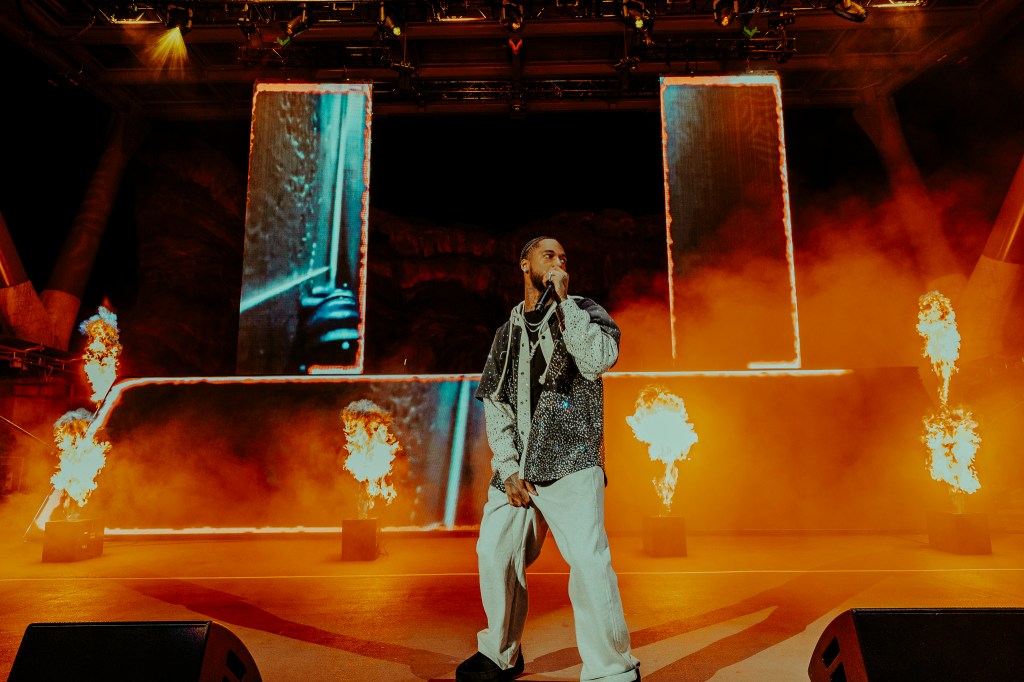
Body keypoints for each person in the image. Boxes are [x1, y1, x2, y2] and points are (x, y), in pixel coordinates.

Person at [456, 237, 640, 682]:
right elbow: (496, 404)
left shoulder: (584, 311)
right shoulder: (507, 332)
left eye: (563, 258)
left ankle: (613, 670)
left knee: (588, 561)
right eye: (548, 255)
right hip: (518, 469)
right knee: (494, 553)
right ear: (524, 264)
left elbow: (596, 359)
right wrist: (507, 467)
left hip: (572, 458)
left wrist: (565, 304)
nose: (558, 262)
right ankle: (500, 653)